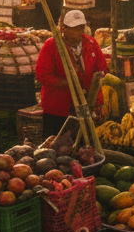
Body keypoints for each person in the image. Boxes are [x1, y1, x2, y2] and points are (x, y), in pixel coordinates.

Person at [35, 10, 109, 138]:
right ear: (64, 29)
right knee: (55, 143)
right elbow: (42, 74)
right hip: (58, 106)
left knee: (84, 142)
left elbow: (101, 67)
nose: (78, 32)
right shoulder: (52, 45)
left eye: (81, 28)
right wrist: (65, 82)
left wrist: (96, 82)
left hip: (85, 103)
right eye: (74, 28)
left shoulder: (91, 43)